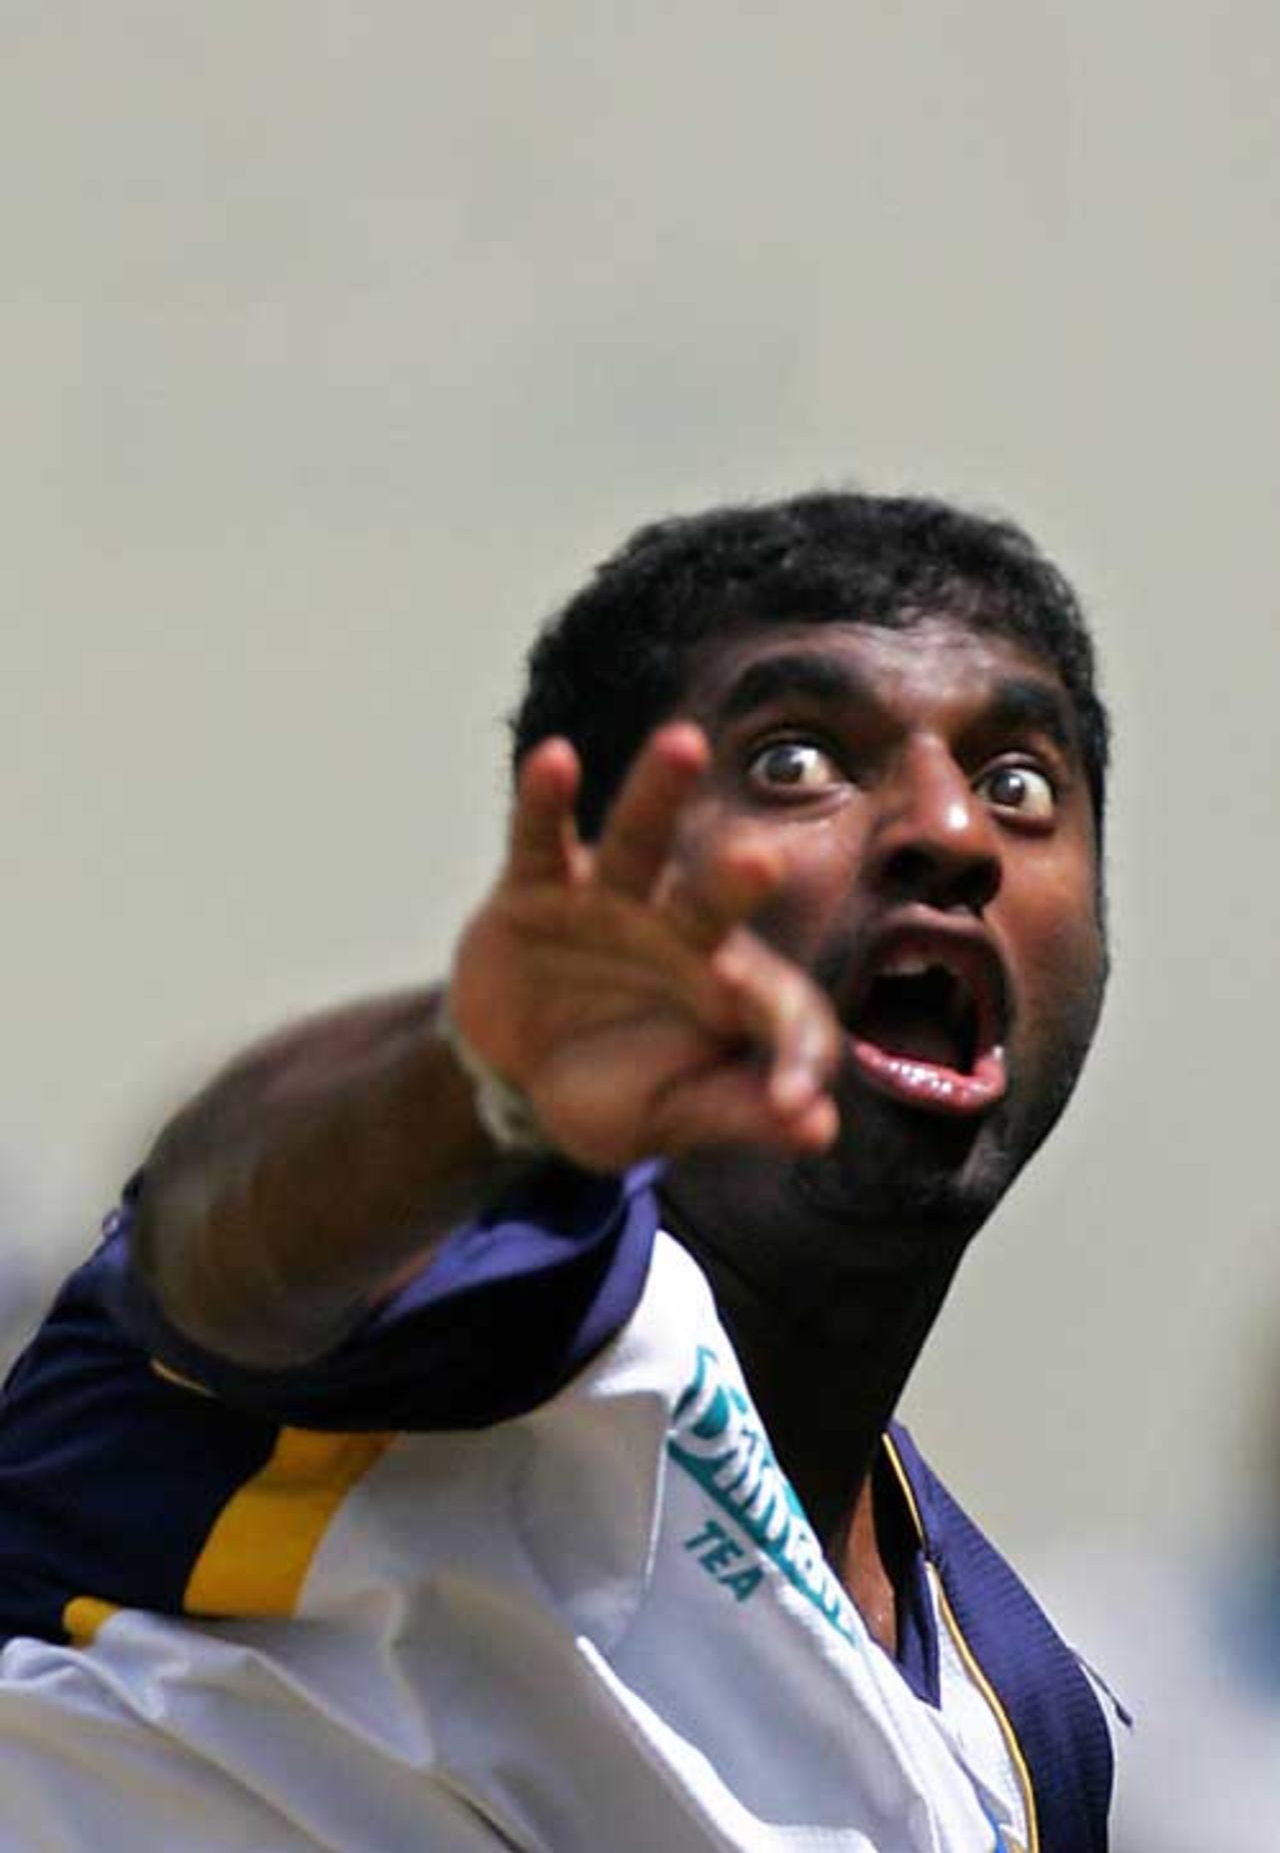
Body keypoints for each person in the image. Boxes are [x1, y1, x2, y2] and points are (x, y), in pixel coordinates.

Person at [0, 490, 1124, 1852]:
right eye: (798, 761)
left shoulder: (1021, 1737)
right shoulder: (480, 1274)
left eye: (1020, 782)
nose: (952, 828)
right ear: (596, 873)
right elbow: (222, 1240)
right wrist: (474, 1079)